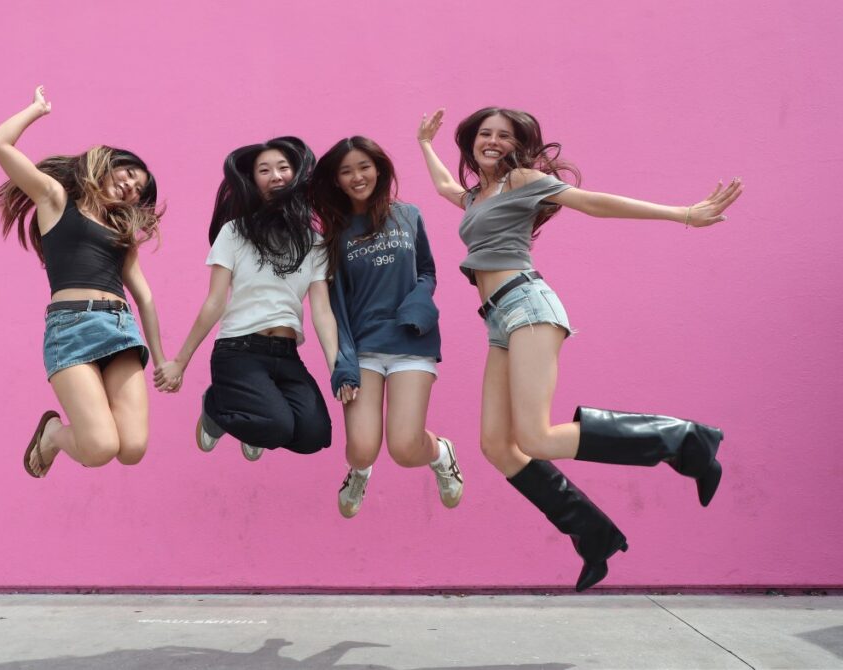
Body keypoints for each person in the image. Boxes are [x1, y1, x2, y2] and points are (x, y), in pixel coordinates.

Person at [417, 106, 742, 590]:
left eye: (503, 136)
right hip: (499, 321)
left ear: (517, 146)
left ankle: (682, 440)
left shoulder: (523, 180)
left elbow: (593, 202)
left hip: (528, 306)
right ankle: (592, 532)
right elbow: (445, 188)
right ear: (471, 143)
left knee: (537, 438)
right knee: (496, 447)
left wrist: (684, 214)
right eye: (484, 134)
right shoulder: (475, 197)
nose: (492, 141)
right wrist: (424, 143)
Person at [0, 85, 169, 478]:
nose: (131, 187)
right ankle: (52, 435)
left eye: (138, 191)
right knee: (100, 447)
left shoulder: (122, 236)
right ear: (110, 163)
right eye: (129, 174)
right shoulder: (54, 199)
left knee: (133, 448)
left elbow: (145, 298)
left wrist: (161, 357)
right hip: (71, 327)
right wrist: (35, 110)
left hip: (120, 329)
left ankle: (59, 436)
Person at [311, 136, 463, 518]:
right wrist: (340, 363)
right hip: (362, 347)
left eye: (364, 166)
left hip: (411, 339)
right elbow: (331, 306)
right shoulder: (333, 234)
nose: (357, 176)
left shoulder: (408, 214)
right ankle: (359, 472)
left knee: (405, 449)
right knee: (361, 449)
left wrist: (418, 300)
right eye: (346, 171)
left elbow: (426, 269)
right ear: (336, 181)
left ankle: (442, 453)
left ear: (379, 169)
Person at [157, 137, 336, 460]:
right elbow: (215, 302)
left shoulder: (314, 242)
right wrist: (180, 362)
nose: (276, 175)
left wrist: (337, 367)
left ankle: (256, 416)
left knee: (315, 436)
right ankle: (217, 406)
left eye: (283, 167)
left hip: (286, 354)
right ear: (253, 181)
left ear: (295, 174)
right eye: (264, 170)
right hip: (239, 351)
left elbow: (322, 311)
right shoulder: (234, 232)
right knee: (277, 427)